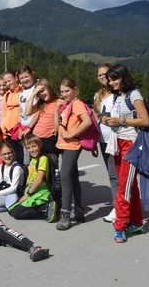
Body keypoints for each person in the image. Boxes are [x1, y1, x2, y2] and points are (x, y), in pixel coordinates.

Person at [101, 64, 149, 243]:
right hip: (117, 142)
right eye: (110, 79)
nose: (112, 83)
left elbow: (145, 120)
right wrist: (109, 121)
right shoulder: (117, 96)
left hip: (131, 144)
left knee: (124, 186)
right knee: (130, 185)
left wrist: (120, 120)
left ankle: (120, 226)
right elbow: (120, 120)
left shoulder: (134, 94)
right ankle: (136, 222)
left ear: (123, 77)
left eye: (115, 79)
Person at [55, 77, 92, 230]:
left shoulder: (76, 104)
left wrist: (72, 134)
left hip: (72, 144)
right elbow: (57, 127)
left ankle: (65, 214)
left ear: (75, 90)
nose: (64, 94)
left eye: (67, 91)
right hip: (65, 144)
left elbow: (87, 121)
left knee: (64, 176)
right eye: (62, 91)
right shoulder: (67, 105)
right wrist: (57, 111)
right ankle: (78, 210)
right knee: (72, 176)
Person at [93, 63, 118, 223]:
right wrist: (94, 141)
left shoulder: (119, 93)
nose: (102, 76)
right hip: (104, 141)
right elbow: (96, 120)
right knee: (113, 175)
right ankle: (119, 206)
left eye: (105, 73)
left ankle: (121, 207)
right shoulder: (98, 96)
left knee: (120, 175)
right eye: (99, 74)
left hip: (119, 139)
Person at [8, 135, 54, 220]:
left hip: (41, 192)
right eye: (28, 148)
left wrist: (28, 195)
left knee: (17, 214)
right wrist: (26, 190)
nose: (31, 150)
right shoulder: (33, 159)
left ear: (40, 145)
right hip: (32, 190)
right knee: (11, 211)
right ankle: (39, 208)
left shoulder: (43, 159)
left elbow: (39, 180)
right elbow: (30, 175)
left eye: (34, 146)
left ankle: (45, 208)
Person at [24, 78, 59, 157]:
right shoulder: (41, 104)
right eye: (39, 93)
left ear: (49, 88)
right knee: (36, 166)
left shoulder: (58, 102)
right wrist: (33, 94)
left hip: (49, 138)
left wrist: (57, 130)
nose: (42, 94)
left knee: (49, 165)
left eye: (43, 91)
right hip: (37, 139)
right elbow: (27, 112)